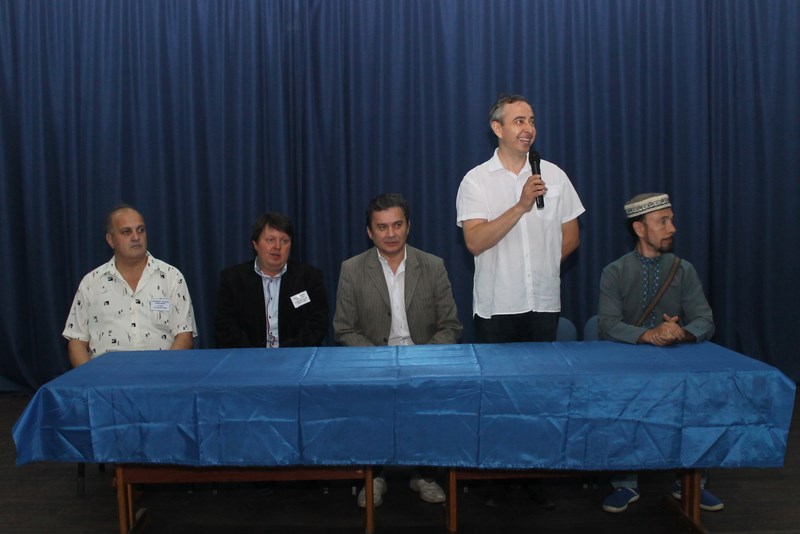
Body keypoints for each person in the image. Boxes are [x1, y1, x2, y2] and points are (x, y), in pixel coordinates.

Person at [333, 193, 462, 507]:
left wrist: (422, 358)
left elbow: (450, 326)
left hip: (424, 360)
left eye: (397, 225)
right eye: (382, 227)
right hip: (372, 362)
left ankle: (425, 474)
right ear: (370, 232)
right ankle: (374, 475)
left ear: (408, 226)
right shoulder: (352, 269)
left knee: (432, 401)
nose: (390, 233)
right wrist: (379, 359)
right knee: (369, 404)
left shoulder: (432, 266)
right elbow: (344, 329)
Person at [598, 192, 723, 513]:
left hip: (676, 363)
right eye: (663, 222)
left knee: (698, 401)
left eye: (672, 220)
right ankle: (624, 481)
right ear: (640, 229)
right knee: (622, 403)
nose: (672, 228)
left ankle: (692, 482)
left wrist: (683, 332)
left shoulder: (684, 270)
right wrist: (648, 335)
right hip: (629, 364)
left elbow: (705, 319)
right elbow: (608, 325)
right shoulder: (614, 272)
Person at [456, 94, 585, 343]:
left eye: (531, 121)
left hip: (544, 303)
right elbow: (474, 242)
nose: (528, 129)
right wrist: (521, 206)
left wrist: (541, 267)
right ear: (497, 128)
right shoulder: (476, 180)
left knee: (543, 369)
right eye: (519, 121)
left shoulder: (555, 175)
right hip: (497, 307)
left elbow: (571, 237)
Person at [63, 205, 197, 367]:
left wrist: (163, 372)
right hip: (106, 378)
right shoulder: (91, 282)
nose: (136, 237)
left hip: (160, 374)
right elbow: (77, 342)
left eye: (141, 230)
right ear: (110, 240)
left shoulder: (171, 277)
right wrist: (92, 378)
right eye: (126, 232)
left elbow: (184, 336)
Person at [215, 212, 328, 348]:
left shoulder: (309, 278)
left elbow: (318, 324)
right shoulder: (233, 279)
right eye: (270, 240)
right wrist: (255, 355)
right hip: (246, 356)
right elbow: (225, 326)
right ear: (255, 244)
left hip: (296, 355)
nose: (277, 246)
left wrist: (286, 354)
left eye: (284, 241)